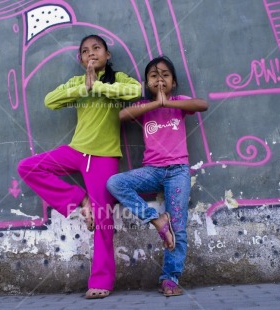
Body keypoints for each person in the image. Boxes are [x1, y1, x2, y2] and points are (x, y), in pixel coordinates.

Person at [17, 34, 141, 299]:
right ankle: (80, 199)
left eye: (97, 48)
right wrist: (83, 88)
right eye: (85, 51)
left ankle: (102, 282)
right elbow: (51, 100)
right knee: (27, 167)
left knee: (104, 220)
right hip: (75, 152)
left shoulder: (117, 79)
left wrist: (99, 87)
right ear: (80, 59)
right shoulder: (77, 82)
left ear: (107, 55)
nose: (91, 53)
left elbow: (135, 91)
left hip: (104, 157)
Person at [106, 56, 208, 297]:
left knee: (179, 226)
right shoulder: (144, 106)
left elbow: (202, 104)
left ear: (173, 82)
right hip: (151, 170)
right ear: (146, 82)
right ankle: (156, 220)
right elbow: (120, 117)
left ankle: (170, 279)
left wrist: (169, 104)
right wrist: (156, 105)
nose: (159, 79)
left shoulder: (179, 103)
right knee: (115, 183)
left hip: (178, 171)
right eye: (154, 75)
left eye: (165, 75)